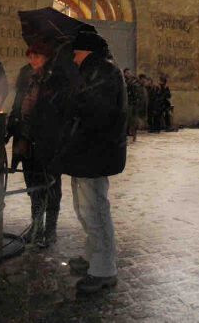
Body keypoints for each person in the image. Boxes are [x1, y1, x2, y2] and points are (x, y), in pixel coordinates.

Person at [50, 30, 127, 293]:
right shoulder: (94, 71)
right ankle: (93, 255)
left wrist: (70, 105)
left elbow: (94, 113)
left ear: (86, 51)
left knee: (95, 210)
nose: (73, 57)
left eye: (76, 52)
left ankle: (104, 269)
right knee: (85, 208)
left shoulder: (102, 72)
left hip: (95, 152)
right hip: (87, 152)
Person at [8, 36, 79, 248]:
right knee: (32, 184)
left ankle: (50, 229)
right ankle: (36, 225)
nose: (33, 59)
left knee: (50, 183)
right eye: (30, 55)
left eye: (37, 55)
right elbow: (18, 101)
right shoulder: (25, 74)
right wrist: (12, 122)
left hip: (47, 138)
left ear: (46, 57)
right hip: (26, 137)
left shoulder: (56, 77)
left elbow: (61, 108)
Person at [123, 69, 142, 142]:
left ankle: (134, 136)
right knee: (127, 120)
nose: (129, 74)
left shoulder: (134, 82)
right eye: (127, 73)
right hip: (127, 103)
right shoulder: (123, 81)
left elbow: (137, 91)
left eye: (129, 73)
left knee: (133, 121)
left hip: (133, 103)